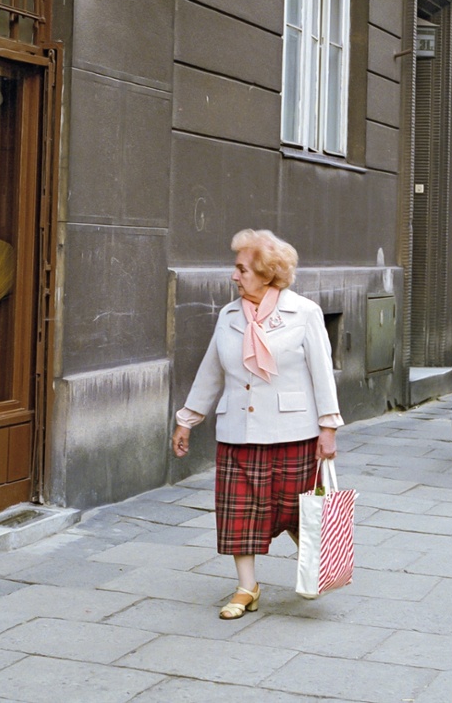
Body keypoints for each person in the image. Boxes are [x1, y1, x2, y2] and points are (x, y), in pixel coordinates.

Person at [171, 229, 342, 620]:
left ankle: (315, 565)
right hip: (239, 432)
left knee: (295, 510)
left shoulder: (304, 313)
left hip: (293, 431)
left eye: (241, 268)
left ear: (267, 274)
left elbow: (322, 374)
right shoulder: (229, 316)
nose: (234, 276)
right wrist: (187, 420)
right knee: (239, 512)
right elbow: (211, 372)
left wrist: (328, 428)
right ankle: (247, 587)